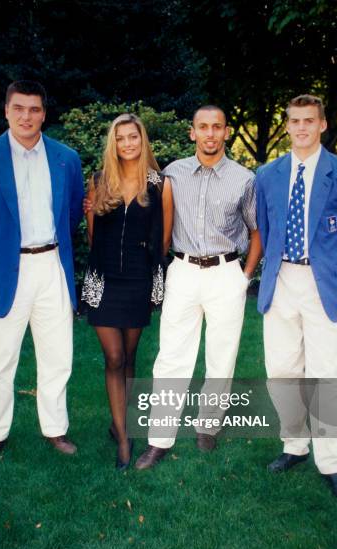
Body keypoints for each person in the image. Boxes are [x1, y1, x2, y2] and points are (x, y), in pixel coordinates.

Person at [256, 94, 337, 500]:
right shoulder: (268, 174)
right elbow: (266, 228)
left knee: (327, 374)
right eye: (295, 121)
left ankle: (332, 463)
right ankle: (294, 445)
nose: (302, 127)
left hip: (323, 283)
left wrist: (331, 266)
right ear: (286, 125)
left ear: (323, 125)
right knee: (282, 371)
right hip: (282, 279)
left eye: (309, 120)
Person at [135, 105, 262, 470]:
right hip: (183, 270)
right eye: (202, 127)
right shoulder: (172, 173)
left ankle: (208, 425)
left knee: (222, 355)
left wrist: (244, 277)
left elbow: (256, 231)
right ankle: (159, 439)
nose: (209, 134)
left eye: (216, 127)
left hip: (226, 273)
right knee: (172, 356)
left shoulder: (244, 179)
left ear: (226, 133)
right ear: (192, 132)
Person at [0, 80, 84, 462]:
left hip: (51, 265)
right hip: (4, 268)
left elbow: (70, 215)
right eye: (18, 108)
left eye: (34, 109)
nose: (26, 116)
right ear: (6, 110)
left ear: (44, 114)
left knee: (57, 356)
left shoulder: (66, 158)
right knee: (0, 359)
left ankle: (55, 429)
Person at [81, 113, 173, 470]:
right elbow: (92, 234)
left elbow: (163, 237)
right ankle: (123, 440)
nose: (127, 144)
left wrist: (150, 272)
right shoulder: (100, 181)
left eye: (133, 137)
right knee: (115, 358)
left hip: (139, 279)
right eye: (120, 138)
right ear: (113, 143)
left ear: (142, 139)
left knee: (131, 358)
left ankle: (122, 421)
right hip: (104, 280)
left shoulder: (159, 183)